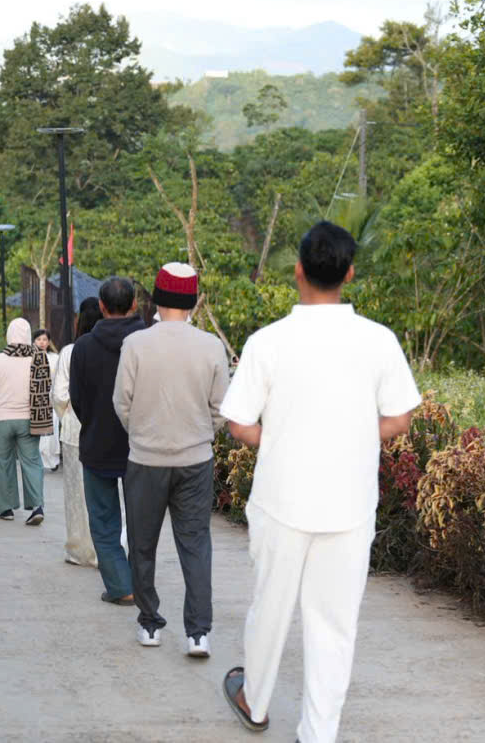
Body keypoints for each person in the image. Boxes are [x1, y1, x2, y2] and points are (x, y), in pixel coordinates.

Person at [219, 221, 421, 743]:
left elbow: (239, 423)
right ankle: (318, 733)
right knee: (334, 624)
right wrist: (348, 437)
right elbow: (399, 419)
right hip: (350, 502)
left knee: (271, 605)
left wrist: (287, 438)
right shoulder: (379, 340)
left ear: (298, 271)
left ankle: (255, 701)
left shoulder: (268, 342)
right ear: (349, 273)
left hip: (282, 498)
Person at [114, 262, 229, 655]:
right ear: (195, 300)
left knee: (143, 544)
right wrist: (199, 434)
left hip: (145, 458)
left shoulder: (135, 344)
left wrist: (144, 431)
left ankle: (149, 623)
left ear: (157, 300)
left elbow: (122, 404)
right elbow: (220, 409)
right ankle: (199, 632)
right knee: (196, 544)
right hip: (195, 459)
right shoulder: (212, 346)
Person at [69, 276, 146, 606]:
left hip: (97, 442)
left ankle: (120, 585)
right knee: (143, 519)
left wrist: (95, 422)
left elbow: (77, 398)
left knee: (103, 521)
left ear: (101, 306)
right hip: (142, 445)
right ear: (134, 305)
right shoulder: (147, 342)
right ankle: (141, 583)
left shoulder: (84, 347)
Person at [0, 318, 51, 525]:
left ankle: (6, 508)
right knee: (31, 461)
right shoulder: (38, 357)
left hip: (1, 419)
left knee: (3, 462)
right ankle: (37, 505)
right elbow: (46, 386)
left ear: (9, 335)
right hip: (29, 419)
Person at [52, 298, 102, 567]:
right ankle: (107, 548)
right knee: (106, 493)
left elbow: (59, 394)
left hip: (74, 430)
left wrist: (67, 416)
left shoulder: (70, 352)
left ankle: (79, 550)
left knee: (75, 493)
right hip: (108, 430)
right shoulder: (114, 347)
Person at [32, 328, 62, 472]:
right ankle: (40, 459)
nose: (42, 342)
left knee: (53, 428)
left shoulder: (55, 358)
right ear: (33, 341)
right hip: (36, 398)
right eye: (38, 339)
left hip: (51, 396)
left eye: (44, 339)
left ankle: (53, 460)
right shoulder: (30, 357)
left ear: (49, 341)